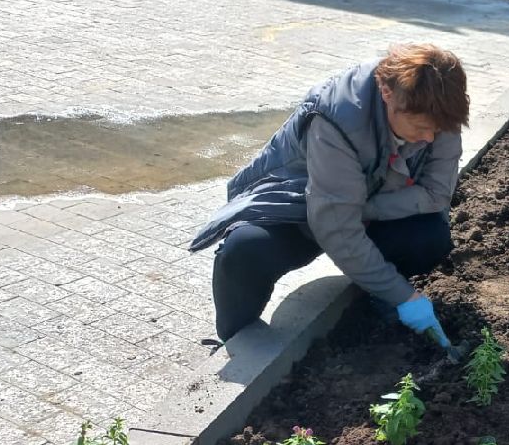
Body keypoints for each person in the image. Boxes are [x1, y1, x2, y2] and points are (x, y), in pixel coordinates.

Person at [189, 43, 467, 345]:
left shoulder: (438, 109)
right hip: (298, 207)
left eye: (437, 130)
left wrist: (363, 209)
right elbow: (336, 228)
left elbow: (436, 193)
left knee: (428, 236)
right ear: (387, 94)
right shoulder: (337, 118)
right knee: (245, 250)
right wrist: (406, 297)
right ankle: (236, 341)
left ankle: (376, 293)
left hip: (365, 205)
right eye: (421, 127)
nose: (429, 138)